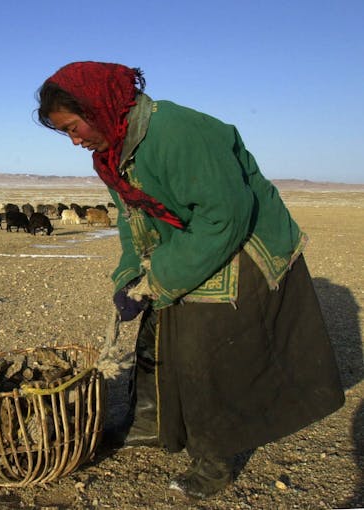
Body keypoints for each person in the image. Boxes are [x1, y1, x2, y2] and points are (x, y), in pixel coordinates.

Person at [35, 61, 345, 499]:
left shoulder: (176, 132)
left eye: (74, 126)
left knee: (208, 346)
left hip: (244, 244)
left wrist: (161, 277)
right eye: (64, 131)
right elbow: (131, 219)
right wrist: (130, 275)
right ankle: (149, 422)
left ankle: (215, 455)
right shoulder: (112, 154)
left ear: (98, 105)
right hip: (193, 239)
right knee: (157, 332)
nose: (75, 139)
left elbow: (225, 215)